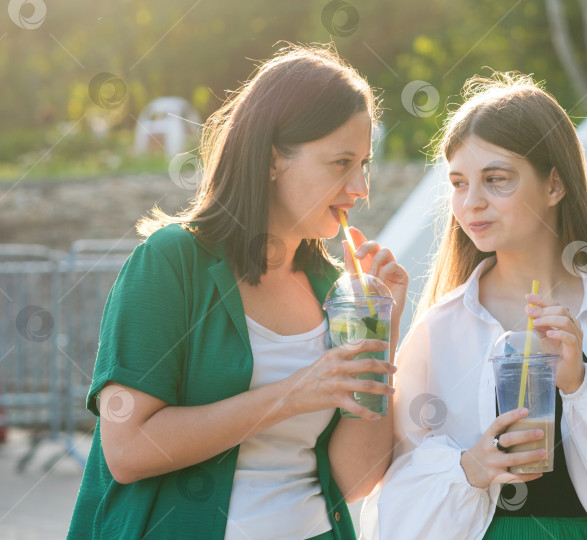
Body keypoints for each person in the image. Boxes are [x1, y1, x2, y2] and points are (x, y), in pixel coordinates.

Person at [359, 73, 587, 540]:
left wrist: (584, 380)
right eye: (459, 183)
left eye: (496, 180)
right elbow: (395, 492)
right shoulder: (440, 329)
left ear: (554, 184)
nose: (472, 203)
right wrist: (469, 467)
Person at [68, 44, 408, 540]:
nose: (360, 188)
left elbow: (356, 479)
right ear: (273, 160)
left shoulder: (334, 291)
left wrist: (385, 327)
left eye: (364, 164)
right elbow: (127, 450)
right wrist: (292, 394)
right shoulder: (171, 261)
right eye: (340, 163)